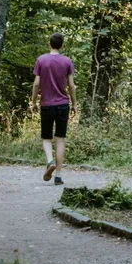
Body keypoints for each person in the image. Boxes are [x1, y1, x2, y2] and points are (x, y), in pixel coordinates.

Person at [31, 32, 77, 185]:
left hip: (47, 105)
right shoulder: (67, 61)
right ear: (62, 45)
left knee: (46, 138)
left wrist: (33, 102)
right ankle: (58, 175)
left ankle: (50, 161)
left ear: (49, 44)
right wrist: (74, 104)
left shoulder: (41, 60)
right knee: (60, 140)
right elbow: (71, 85)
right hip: (63, 104)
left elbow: (36, 83)